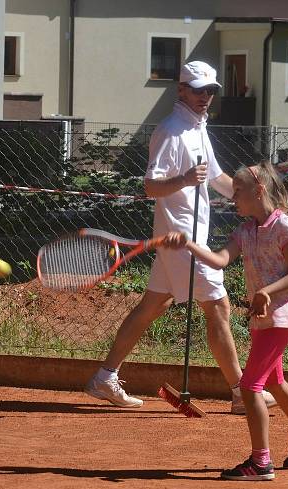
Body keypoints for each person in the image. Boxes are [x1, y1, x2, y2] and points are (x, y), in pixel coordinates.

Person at [84, 60, 276, 414]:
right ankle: (240, 392)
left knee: (151, 306)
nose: (206, 96)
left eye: (211, 90)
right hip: (182, 242)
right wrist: (185, 179)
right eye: (199, 89)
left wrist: (254, 197)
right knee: (218, 306)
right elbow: (150, 186)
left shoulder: (198, 128)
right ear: (182, 90)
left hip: (186, 241)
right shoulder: (171, 131)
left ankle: (104, 377)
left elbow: (217, 178)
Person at [172, 161, 288, 480]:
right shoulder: (244, 231)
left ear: (259, 191)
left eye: (238, 192)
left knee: (250, 386)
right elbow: (220, 260)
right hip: (263, 318)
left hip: (281, 316)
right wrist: (187, 244)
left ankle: (260, 462)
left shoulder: (285, 226)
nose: (233, 198)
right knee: (272, 381)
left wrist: (266, 291)